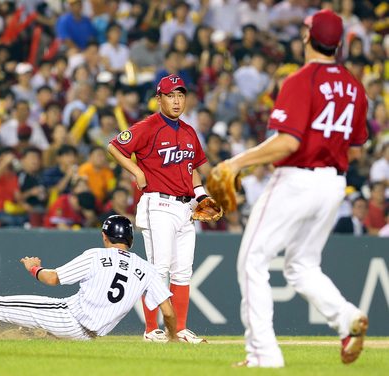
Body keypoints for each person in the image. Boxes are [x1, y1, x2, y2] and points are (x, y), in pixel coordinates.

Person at [219, 10, 369, 367]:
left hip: (299, 179)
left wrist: (237, 162)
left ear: (307, 37)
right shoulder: (354, 85)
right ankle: (346, 318)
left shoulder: (300, 80)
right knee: (302, 265)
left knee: (252, 259)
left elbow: (286, 143)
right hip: (334, 183)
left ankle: (263, 353)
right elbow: (358, 146)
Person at [0, 215, 180, 342]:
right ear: (131, 240)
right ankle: (34, 333)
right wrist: (172, 337)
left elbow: (53, 279)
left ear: (105, 237)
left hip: (70, 319)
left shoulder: (97, 254)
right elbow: (168, 311)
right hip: (90, 336)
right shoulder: (147, 269)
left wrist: (34, 269)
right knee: (40, 336)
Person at [108, 75, 217, 343]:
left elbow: (193, 170)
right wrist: (136, 170)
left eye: (180, 95)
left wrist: (202, 195)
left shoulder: (190, 132)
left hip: (186, 208)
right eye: (170, 95)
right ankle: (150, 330)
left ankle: (178, 330)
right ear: (159, 99)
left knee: (182, 272)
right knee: (158, 270)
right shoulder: (148, 126)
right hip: (158, 204)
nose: (177, 100)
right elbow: (114, 146)